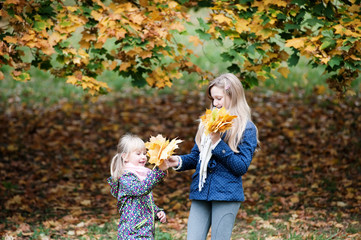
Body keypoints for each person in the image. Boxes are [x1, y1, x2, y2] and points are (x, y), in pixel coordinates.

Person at [168, 73, 259, 240]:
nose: (215, 103)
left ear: (233, 96)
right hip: (201, 191)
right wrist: (178, 161)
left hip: (227, 194)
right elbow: (197, 157)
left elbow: (241, 167)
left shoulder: (246, 128)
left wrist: (218, 144)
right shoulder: (207, 123)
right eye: (212, 99)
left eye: (219, 98)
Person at [107, 134, 169, 240]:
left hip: (144, 231)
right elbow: (141, 189)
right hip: (132, 232)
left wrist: (157, 211)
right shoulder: (126, 177)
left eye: (144, 153)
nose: (143, 157)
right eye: (138, 154)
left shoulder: (142, 176)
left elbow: (144, 202)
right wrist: (159, 171)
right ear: (125, 156)